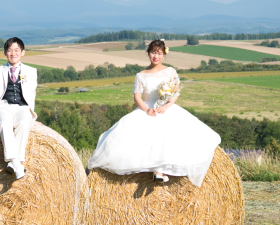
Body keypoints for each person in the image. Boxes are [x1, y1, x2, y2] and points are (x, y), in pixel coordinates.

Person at [87, 39, 221, 187]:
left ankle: (160, 171)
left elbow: (175, 93)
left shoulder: (170, 71)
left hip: (166, 108)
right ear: (148, 53)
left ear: (164, 54)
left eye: (159, 53)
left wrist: (166, 106)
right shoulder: (141, 75)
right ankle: (157, 171)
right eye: (152, 52)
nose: (155, 56)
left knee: (167, 135)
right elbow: (137, 96)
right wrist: (146, 109)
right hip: (148, 109)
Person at [0, 37, 38, 180]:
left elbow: (31, 95)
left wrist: (31, 117)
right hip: (3, 106)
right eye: (9, 50)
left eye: (16, 50)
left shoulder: (31, 71)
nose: (13, 53)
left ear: (23, 52)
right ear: (5, 53)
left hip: (22, 107)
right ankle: (17, 163)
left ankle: (13, 163)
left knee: (23, 123)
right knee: (5, 123)